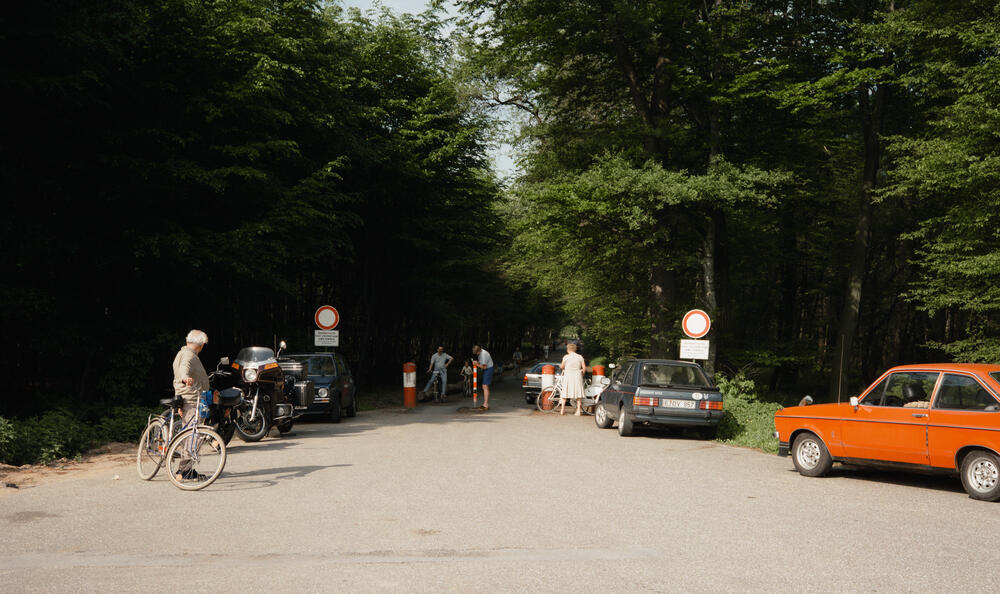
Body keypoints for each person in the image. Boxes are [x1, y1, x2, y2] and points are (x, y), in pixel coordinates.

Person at [171, 329, 216, 482]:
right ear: (201, 344)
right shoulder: (189, 356)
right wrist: (185, 378)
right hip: (192, 399)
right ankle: (184, 471)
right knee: (193, 435)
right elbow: (184, 369)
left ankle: (185, 469)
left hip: (187, 397)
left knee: (190, 434)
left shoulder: (182, 353)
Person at [558, 342, 586, 416]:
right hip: (577, 376)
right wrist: (582, 375)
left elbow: (562, 366)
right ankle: (578, 411)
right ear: (575, 349)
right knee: (578, 393)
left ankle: (562, 410)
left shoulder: (566, 357)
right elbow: (584, 368)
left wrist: (560, 366)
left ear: (568, 349)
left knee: (565, 392)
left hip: (568, 375)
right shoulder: (580, 357)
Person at [472, 344, 494, 410]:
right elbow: (482, 363)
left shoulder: (483, 355)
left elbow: (484, 367)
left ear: (478, 351)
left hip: (488, 369)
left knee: (485, 387)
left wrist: (477, 364)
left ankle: (485, 404)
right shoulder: (481, 353)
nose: (476, 354)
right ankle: (485, 403)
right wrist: (478, 363)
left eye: (476, 353)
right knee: (484, 386)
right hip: (487, 369)